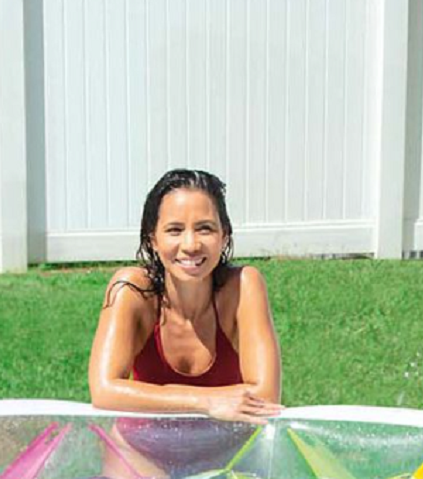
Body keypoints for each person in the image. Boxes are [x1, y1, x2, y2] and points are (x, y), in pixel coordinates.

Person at [87, 169, 283, 425]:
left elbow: (265, 396)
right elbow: (104, 390)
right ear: (153, 240)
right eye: (175, 230)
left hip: (229, 443)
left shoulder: (243, 287)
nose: (190, 245)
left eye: (205, 229)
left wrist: (151, 397)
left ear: (224, 236)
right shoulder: (131, 291)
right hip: (141, 442)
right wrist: (207, 402)